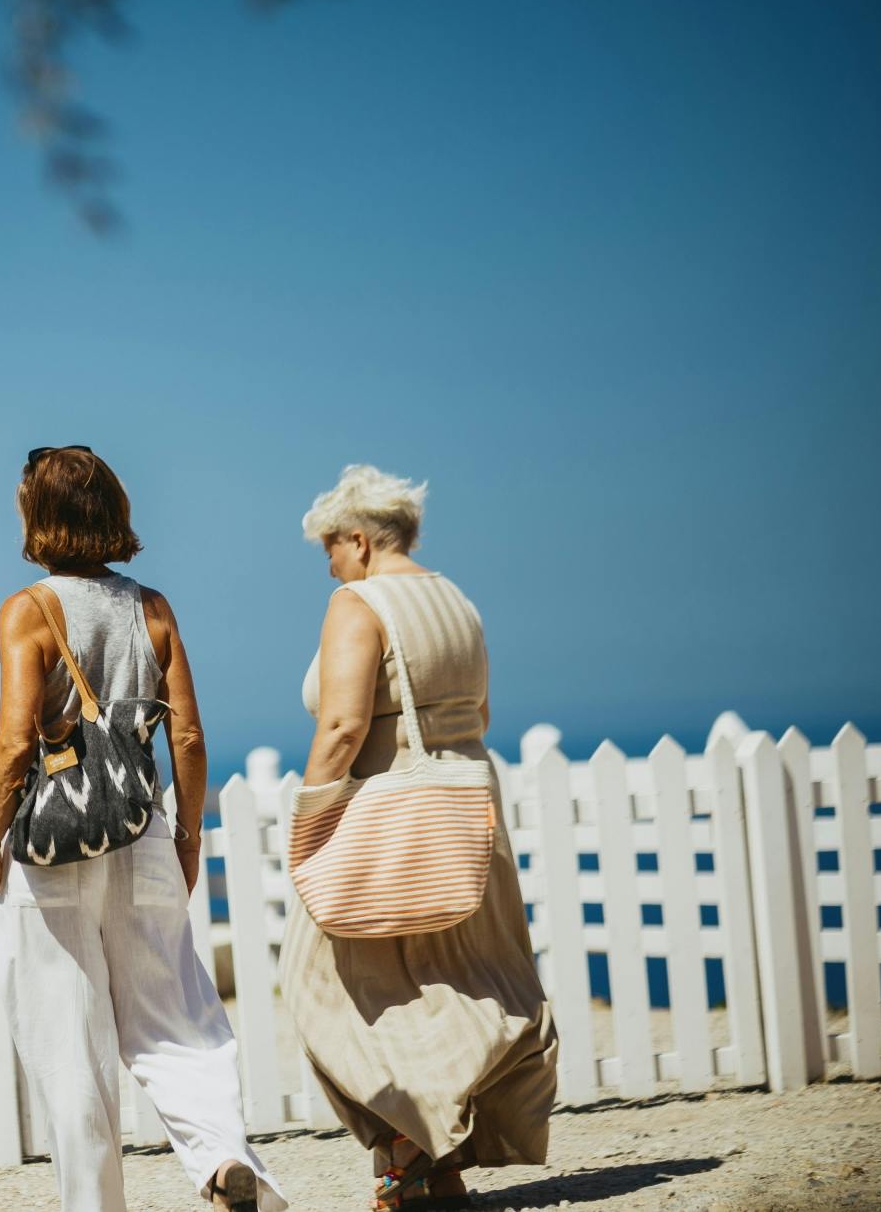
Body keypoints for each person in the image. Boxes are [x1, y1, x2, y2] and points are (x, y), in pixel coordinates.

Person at [0, 446, 284, 1212]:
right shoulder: (152, 607)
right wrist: (186, 831)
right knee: (176, 1011)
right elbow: (188, 737)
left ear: (37, 516)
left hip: (54, 840)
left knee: (66, 1033)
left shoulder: (28, 610)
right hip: (140, 824)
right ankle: (219, 1159)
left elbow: (18, 739)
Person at [278, 464, 557, 1209]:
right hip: (469, 815)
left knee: (332, 989)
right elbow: (478, 713)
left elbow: (341, 727)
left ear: (360, 541)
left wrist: (310, 817)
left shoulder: (358, 602)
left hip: (386, 827)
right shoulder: (456, 600)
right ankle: (440, 1168)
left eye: (330, 548)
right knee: (453, 983)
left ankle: (407, 1162)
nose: (328, 564)